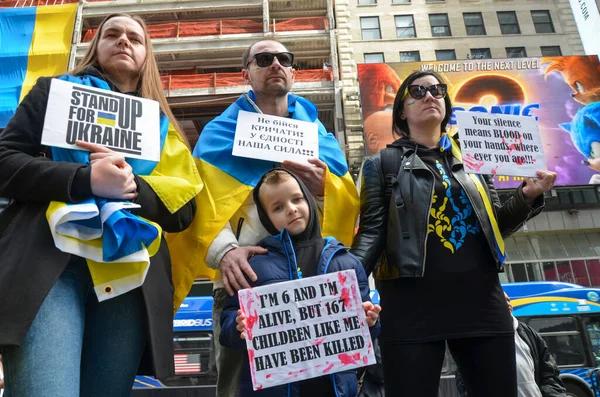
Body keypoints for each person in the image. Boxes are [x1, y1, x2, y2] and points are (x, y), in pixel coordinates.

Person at [0, 13, 202, 397]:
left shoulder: (163, 126)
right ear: (96, 47)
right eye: (112, 34)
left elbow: (184, 211)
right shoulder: (53, 92)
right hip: (50, 266)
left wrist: (132, 187)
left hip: (128, 279)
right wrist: (83, 180)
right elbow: (4, 162)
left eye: (135, 38)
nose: (123, 41)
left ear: (147, 56)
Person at [166, 35, 359, 397]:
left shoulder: (318, 134)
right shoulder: (219, 133)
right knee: (240, 388)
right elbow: (201, 202)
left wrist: (323, 189)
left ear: (293, 72)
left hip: (313, 282)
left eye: (284, 58)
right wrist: (225, 252)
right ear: (246, 73)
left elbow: (348, 200)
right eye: (263, 58)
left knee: (322, 386)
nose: (275, 64)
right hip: (245, 283)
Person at [351, 70, 557, 397]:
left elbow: (494, 226)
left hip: (481, 299)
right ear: (402, 111)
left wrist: (527, 196)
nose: (430, 96)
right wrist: (341, 283)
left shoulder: (473, 157)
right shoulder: (381, 164)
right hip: (410, 305)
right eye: (417, 92)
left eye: (436, 89)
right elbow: (372, 237)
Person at [219, 168, 381, 396]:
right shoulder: (253, 268)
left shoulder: (347, 263)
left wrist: (370, 321)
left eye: (297, 199)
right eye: (278, 207)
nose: (291, 209)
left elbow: (366, 333)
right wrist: (237, 328)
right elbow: (227, 329)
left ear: (309, 199)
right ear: (266, 218)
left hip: (336, 390)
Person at [456, 293, 567, 397]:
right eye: (502, 300)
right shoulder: (476, 339)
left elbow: (550, 375)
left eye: (508, 300)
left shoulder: (529, 334)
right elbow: (465, 381)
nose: (508, 303)